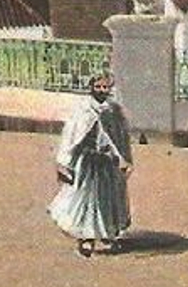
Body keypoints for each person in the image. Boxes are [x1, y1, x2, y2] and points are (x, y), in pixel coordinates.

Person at [48, 73, 133, 257]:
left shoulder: (113, 110)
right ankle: (86, 239)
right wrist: (64, 162)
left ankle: (107, 234)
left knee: (105, 201)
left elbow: (119, 138)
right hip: (86, 163)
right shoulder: (82, 110)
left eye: (106, 88)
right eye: (99, 87)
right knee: (85, 201)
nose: (102, 91)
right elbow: (71, 137)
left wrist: (123, 159)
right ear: (92, 87)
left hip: (106, 164)